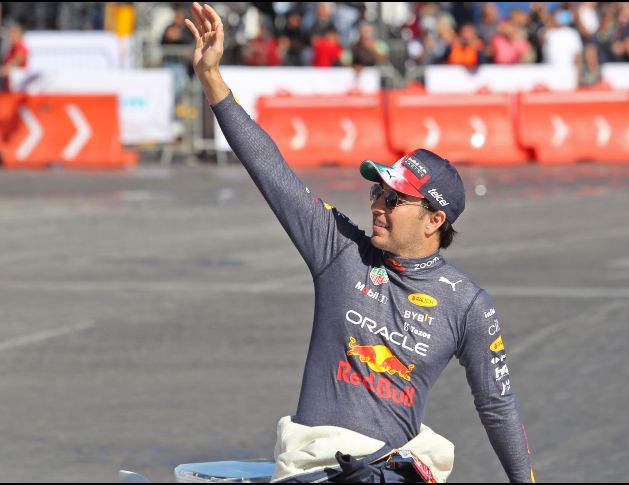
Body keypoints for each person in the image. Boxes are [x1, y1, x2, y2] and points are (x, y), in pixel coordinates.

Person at [184, 3, 534, 483]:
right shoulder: (340, 251)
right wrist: (211, 78)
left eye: (394, 199)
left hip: (391, 472)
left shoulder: (469, 305)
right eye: (377, 192)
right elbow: (270, 168)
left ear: (434, 220)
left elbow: (497, 405)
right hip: (315, 467)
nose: (378, 205)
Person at [1, 22, 28, 92]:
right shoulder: (11, 49)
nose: (11, 35)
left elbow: (12, 66)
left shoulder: (21, 49)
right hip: (8, 88)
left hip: (18, 89)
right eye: (10, 33)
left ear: (20, 34)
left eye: (14, 33)